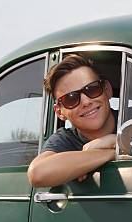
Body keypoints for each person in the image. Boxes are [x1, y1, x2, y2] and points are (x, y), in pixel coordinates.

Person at [27, 55, 117, 187]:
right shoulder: (66, 139)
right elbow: (38, 173)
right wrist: (111, 152)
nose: (86, 102)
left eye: (92, 89)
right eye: (71, 99)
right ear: (59, 112)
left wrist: (116, 140)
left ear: (107, 90)